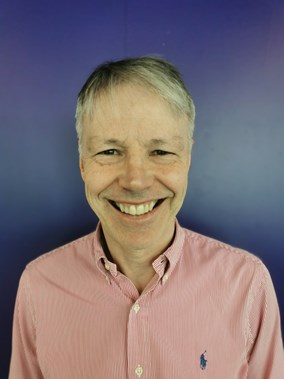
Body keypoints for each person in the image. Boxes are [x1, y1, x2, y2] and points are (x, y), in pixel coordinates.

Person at [9, 56, 284, 378]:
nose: (135, 181)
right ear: (83, 162)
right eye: (109, 152)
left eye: (161, 152)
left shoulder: (247, 283)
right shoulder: (38, 285)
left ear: (187, 159)